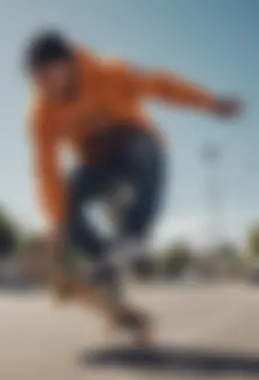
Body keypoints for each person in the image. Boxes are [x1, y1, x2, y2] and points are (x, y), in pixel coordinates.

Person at [23, 30, 242, 344]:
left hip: (136, 152)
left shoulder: (110, 72)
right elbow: (45, 169)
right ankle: (105, 267)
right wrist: (54, 223)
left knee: (145, 146)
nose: (42, 87)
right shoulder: (41, 113)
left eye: (47, 76)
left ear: (68, 64)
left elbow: (162, 86)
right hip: (98, 166)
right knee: (66, 201)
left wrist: (209, 103)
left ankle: (132, 236)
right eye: (35, 81)